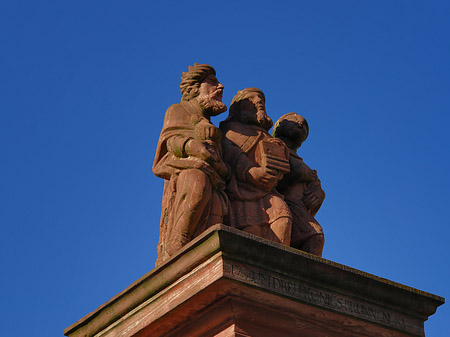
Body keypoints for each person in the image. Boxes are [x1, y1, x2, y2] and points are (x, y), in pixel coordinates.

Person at [153, 63, 229, 266]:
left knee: (216, 212)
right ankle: (178, 239)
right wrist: (191, 145)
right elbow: (170, 140)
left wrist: (218, 163)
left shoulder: (215, 128)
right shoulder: (179, 110)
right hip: (187, 170)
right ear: (194, 88)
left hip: (215, 179)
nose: (220, 87)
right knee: (196, 183)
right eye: (212, 82)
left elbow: (223, 164)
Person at [220, 88, 292, 245]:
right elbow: (231, 153)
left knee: (283, 218)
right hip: (242, 194)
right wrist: (250, 171)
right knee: (251, 233)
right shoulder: (231, 130)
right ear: (238, 108)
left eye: (261, 99)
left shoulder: (267, 136)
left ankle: (276, 267)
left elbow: (283, 162)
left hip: (268, 192)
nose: (258, 101)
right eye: (250, 99)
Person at [273, 113, 325, 256]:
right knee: (314, 234)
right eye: (294, 120)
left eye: (304, 126)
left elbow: (316, 186)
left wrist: (319, 193)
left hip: (299, 208)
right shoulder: (275, 148)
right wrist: (299, 174)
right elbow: (273, 179)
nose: (300, 124)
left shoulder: (303, 165)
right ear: (279, 126)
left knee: (315, 236)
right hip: (282, 204)